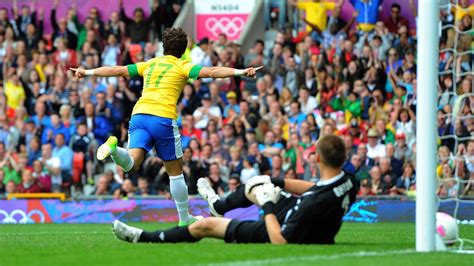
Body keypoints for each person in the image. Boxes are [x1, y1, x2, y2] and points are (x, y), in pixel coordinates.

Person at [70, 27, 262, 226]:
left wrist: (88, 71)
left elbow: (118, 70)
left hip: (139, 115)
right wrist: (241, 71)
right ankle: (184, 218)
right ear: (183, 49)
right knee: (175, 171)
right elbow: (212, 72)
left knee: (131, 164)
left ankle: (114, 149)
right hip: (162, 118)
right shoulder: (182, 66)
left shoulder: (150, 64)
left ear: (164, 47)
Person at [112, 134, 357, 245]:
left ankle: (142, 237)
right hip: (305, 218)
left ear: (318, 160)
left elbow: (280, 241)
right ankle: (218, 205)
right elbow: (317, 188)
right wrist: (276, 181)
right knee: (256, 183)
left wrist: (268, 205)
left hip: (286, 228)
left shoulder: (313, 204)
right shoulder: (348, 180)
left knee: (203, 226)